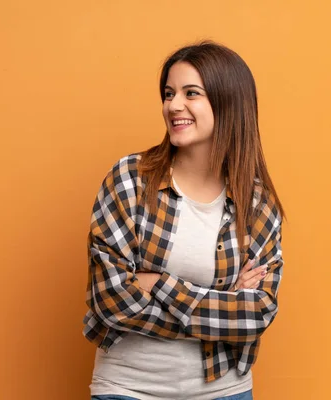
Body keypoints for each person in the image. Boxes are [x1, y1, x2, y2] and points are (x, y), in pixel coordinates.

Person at [83, 41, 286, 400]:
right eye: (168, 93)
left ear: (227, 101)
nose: (173, 105)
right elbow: (112, 301)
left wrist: (157, 284)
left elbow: (256, 315)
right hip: (128, 390)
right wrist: (223, 303)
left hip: (225, 392)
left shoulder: (257, 202)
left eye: (191, 93)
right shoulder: (130, 179)